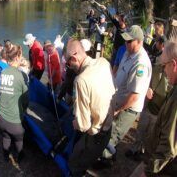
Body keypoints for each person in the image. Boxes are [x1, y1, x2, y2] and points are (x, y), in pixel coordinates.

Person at [99, 25, 152, 167]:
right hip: (117, 101)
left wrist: (118, 110)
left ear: (139, 42)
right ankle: (108, 156)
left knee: (112, 136)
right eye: (125, 41)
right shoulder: (128, 53)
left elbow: (135, 95)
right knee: (106, 131)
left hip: (128, 108)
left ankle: (105, 161)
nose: (126, 43)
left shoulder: (141, 63)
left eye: (129, 41)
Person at [65, 39, 115, 176]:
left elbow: (83, 125)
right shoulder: (104, 62)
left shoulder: (81, 80)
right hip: (109, 125)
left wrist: (75, 123)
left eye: (68, 63)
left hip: (96, 134)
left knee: (74, 164)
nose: (69, 67)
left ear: (74, 58)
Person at [125, 35, 170, 161]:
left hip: (159, 111)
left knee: (151, 134)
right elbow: (146, 80)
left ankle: (142, 152)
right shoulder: (156, 68)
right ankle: (134, 148)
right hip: (148, 105)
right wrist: (148, 88)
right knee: (141, 129)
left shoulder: (172, 77)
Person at [143, 39, 177, 176]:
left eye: (164, 66)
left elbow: (168, 147)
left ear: (174, 64)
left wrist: (149, 171)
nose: (163, 70)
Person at [0, 45, 29, 163]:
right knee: (19, 139)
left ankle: (5, 156)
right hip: (14, 122)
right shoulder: (20, 75)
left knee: (5, 136)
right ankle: (20, 157)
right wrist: (24, 110)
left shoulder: (3, 71)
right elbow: (25, 99)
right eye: (21, 56)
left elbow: (1, 91)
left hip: (0, 117)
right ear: (18, 57)